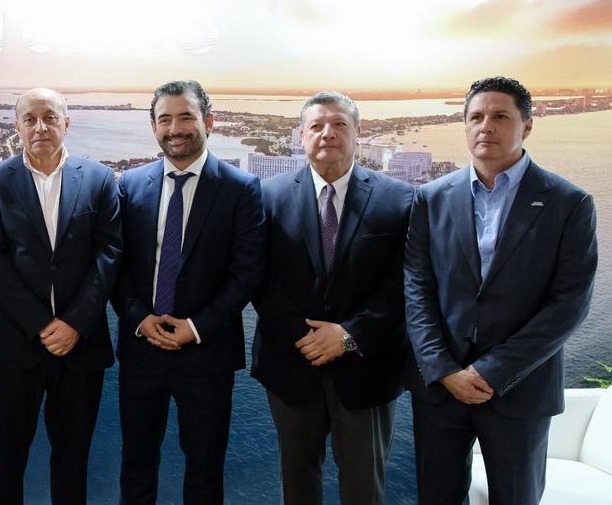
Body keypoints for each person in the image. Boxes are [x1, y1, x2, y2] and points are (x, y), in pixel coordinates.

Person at [405, 76, 597, 504]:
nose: (486, 126)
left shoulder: (570, 203)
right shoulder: (431, 198)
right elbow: (417, 288)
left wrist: (490, 371)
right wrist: (444, 369)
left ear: (527, 125)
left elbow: (569, 304)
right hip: (441, 390)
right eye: (476, 117)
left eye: (500, 117)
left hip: (520, 390)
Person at [251, 92, 413, 504]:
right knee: (297, 486)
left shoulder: (401, 198)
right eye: (317, 126)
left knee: (364, 489)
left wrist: (349, 335)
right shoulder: (265, 196)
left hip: (368, 369)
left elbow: (404, 283)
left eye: (340, 124)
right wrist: (304, 337)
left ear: (358, 133)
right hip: (291, 365)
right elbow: (258, 278)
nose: (328, 133)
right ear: (301, 135)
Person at [112, 80, 265, 505]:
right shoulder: (130, 185)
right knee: (136, 467)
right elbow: (116, 265)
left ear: (209, 122)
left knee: (204, 471)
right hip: (141, 350)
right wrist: (138, 318)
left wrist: (196, 328)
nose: (175, 128)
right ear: (153, 126)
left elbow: (247, 273)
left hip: (206, 354)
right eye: (165, 119)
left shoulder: (241, 188)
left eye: (186, 117)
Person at [0, 87, 122, 505]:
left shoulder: (99, 179)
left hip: (81, 346)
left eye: (50, 117)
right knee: (6, 461)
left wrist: (74, 323)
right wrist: (42, 324)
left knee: (73, 462)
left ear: (66, 123)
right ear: (18, 127)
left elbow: (110, 254)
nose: (40, 127)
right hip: (14, 345)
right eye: (30, 119)